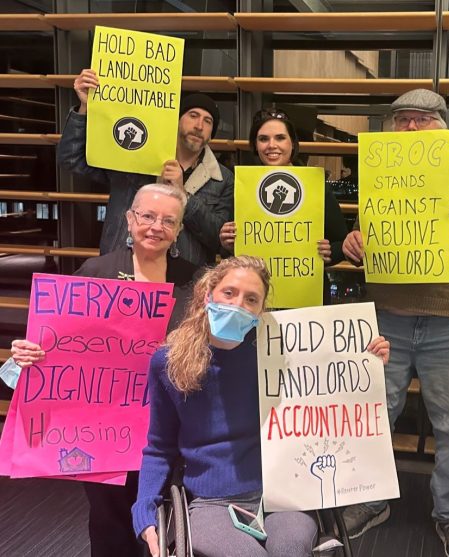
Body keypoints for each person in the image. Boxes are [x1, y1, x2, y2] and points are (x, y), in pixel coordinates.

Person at [132, 255, 391, 557]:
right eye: (229, 293)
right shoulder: (168, 362)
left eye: (251, 299)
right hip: (211, 500)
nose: (238, 304)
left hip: (281, 491)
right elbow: (159, 447)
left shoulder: (279, 354)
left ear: (260, 311)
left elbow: (333, 396)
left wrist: (366, 361)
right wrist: (144, 507)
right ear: (208, 295)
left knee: (290, 549)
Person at [341, 89, 449, 557]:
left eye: (421, 119)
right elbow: (372, 231)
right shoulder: (378, 165)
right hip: (387, 319)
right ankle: (370, 500)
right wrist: (356, 242)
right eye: (402, 120)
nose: (410, 128)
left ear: (442, 126)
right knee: (374, 418)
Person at [9, 184, 199, 557]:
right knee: (110, 519)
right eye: (147, 216)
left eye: (168, 220)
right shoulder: (95, 273)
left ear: (178, 230)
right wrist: (27, 353)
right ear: (129, 219)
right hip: (104, 429)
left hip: (171, 426)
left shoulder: (194, 281)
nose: (155, 226)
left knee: (169, 518)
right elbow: (59, 342)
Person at [57, 68, 233, 266]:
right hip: (126, 272)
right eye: (192, 115)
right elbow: (71, 159)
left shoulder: (223, 179)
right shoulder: (135, 156)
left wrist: (183, 195)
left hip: (186, 284)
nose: (199, 125)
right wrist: (85, 108)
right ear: (176, 120)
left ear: (211, 134)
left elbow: (219, 239)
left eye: (207, 121)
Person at [219, 108, 348, 302]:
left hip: (305, 297)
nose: (272, 145)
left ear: (292, 144)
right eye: (263, 139)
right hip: (255, 298)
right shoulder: (243, 187)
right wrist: (227, 242)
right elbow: (233, 248)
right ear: (255, 145)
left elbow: (341, 242)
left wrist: (330, 252)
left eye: (280, 138)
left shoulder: (314, 186)